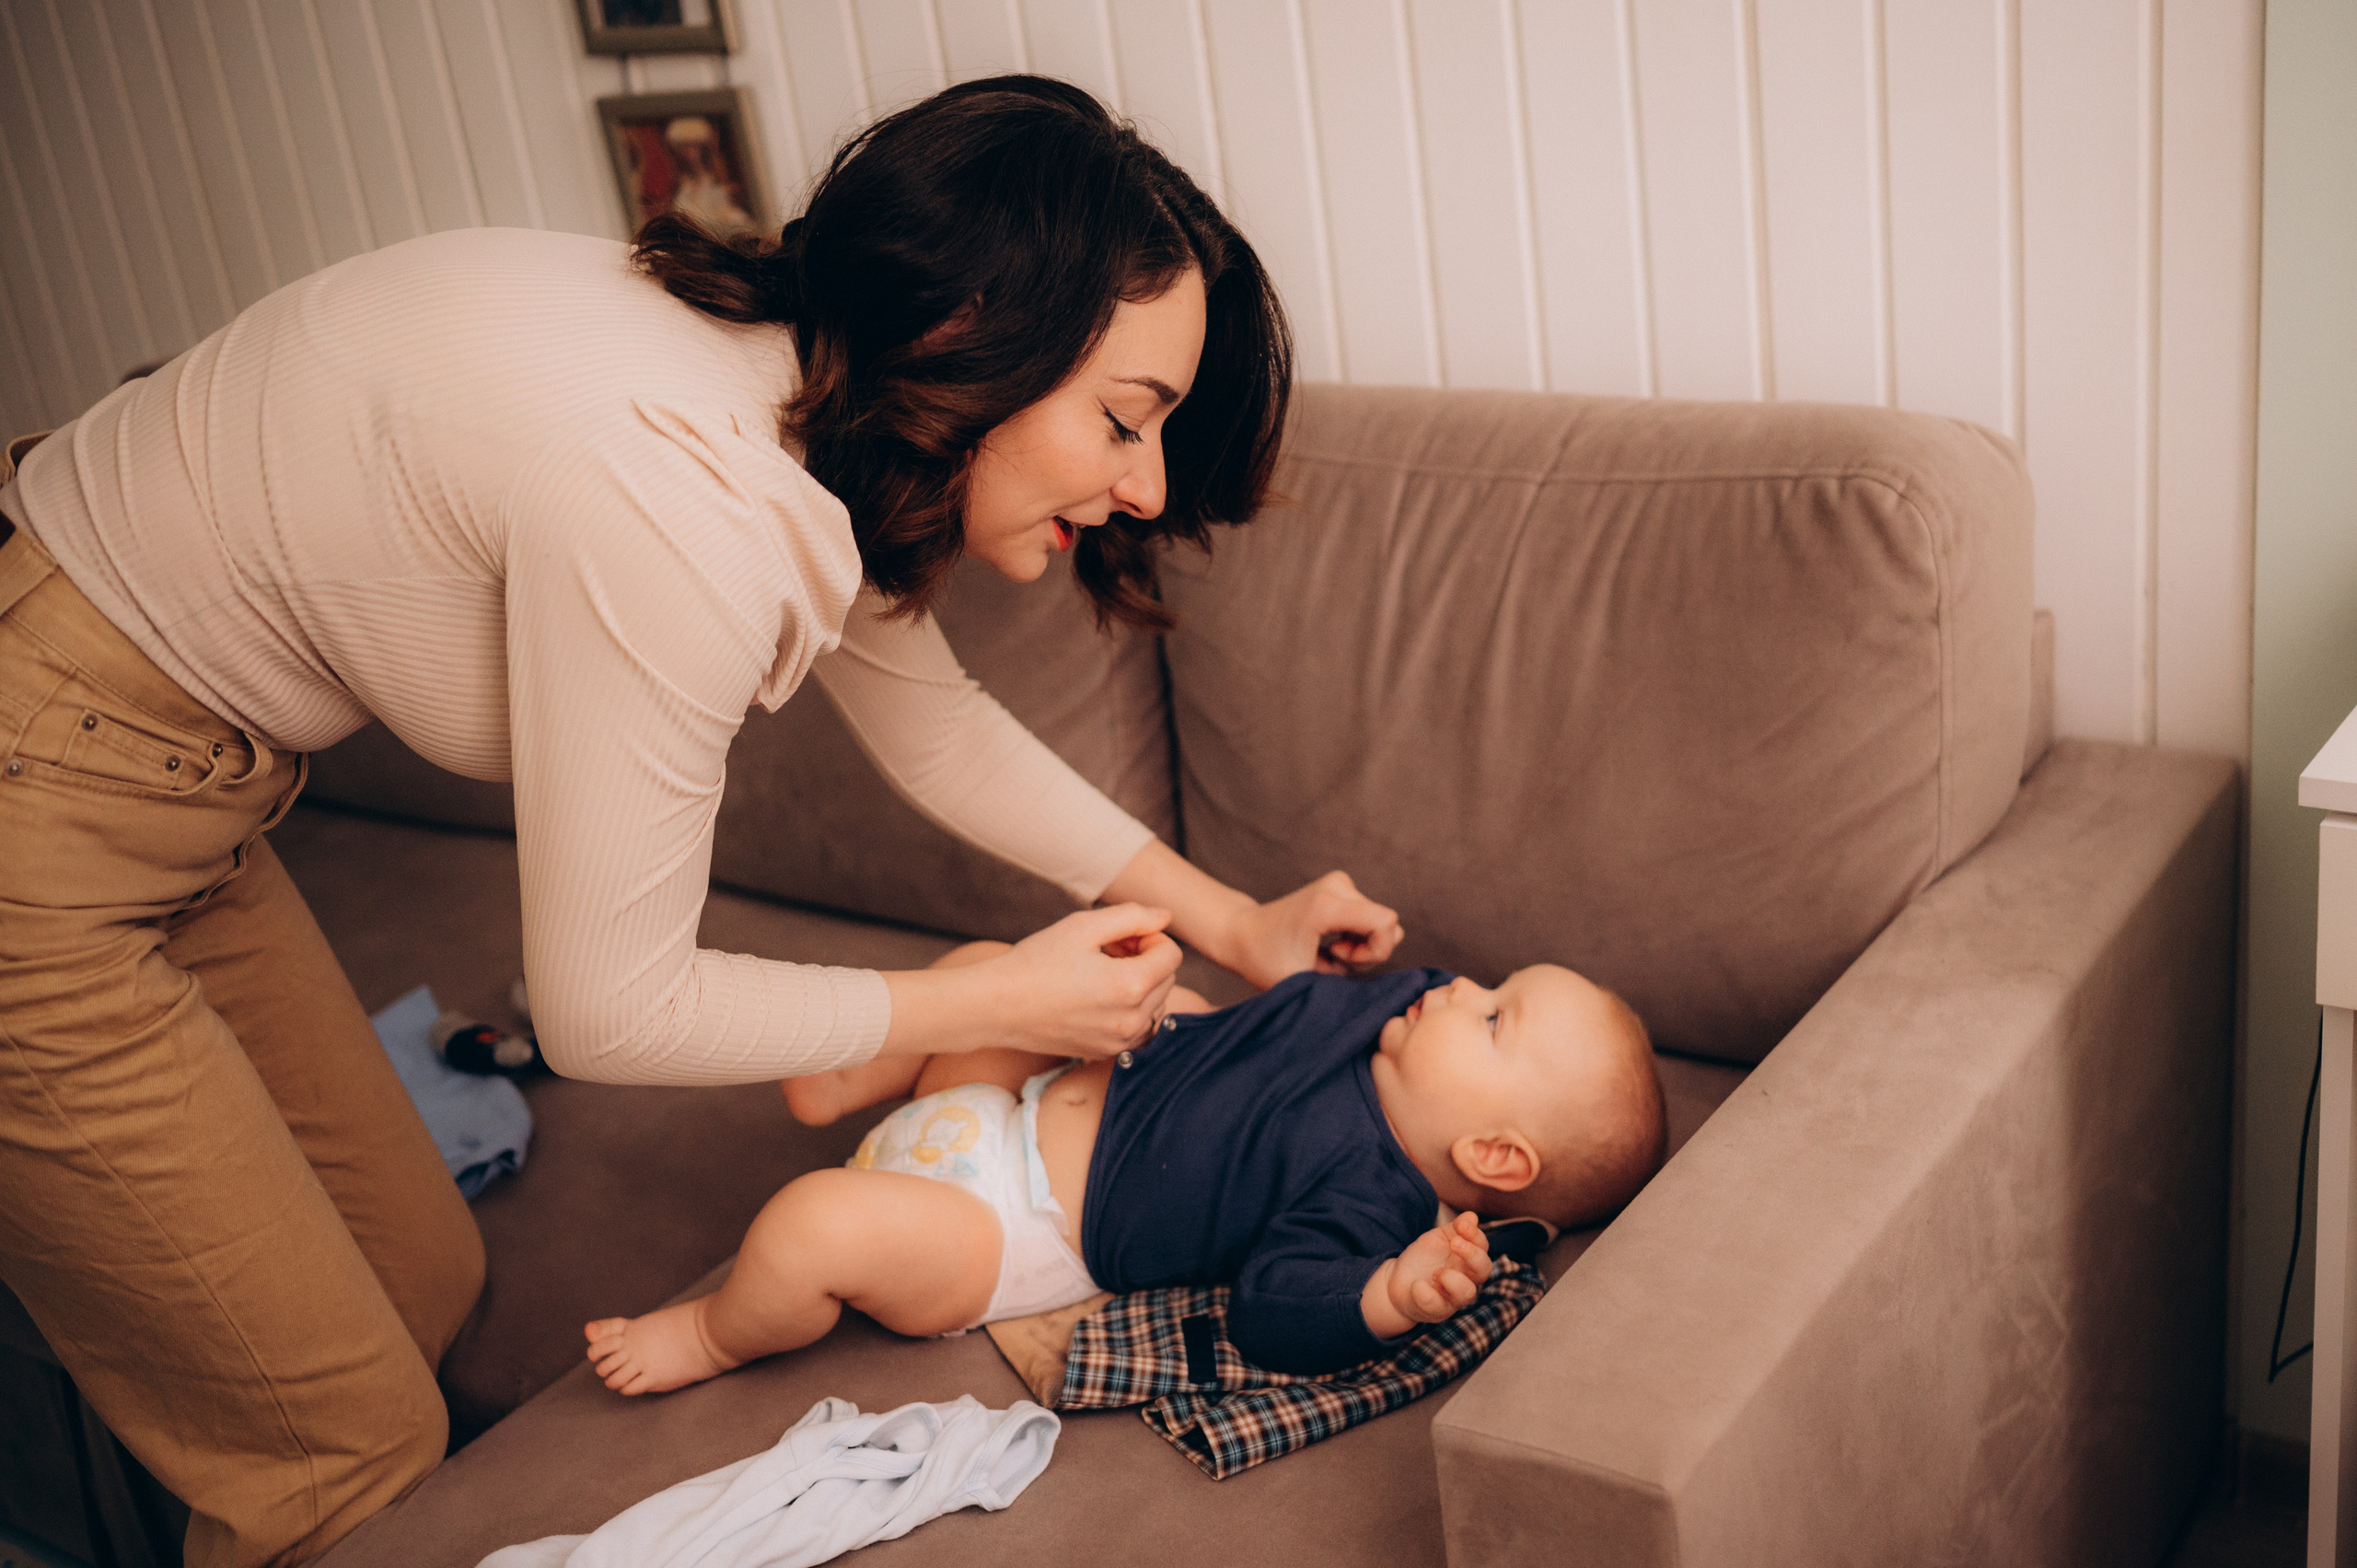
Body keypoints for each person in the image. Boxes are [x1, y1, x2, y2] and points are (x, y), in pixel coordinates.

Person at [0, 76, 1404, 1568]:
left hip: (189, 793)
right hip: (50, 787)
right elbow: (608, 1008)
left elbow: (941, 730)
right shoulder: (688, 496)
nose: (1146, 482)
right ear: (966, 329)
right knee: (342, 1449)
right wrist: (994, 997)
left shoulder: (808, 406)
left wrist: (1233, 919)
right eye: (1126, 419)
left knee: (425, 1275)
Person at [583, 942, 1666, 1391]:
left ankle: (714, 1332)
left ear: (1492, 1153)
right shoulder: (1389, 1016)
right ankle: (845, 1075)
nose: (1461, 985)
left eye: (1493, 1016)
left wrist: (1387, 1293)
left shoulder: (1370, 1199)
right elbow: (1337, 980)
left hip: (1008, 1224)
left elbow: (1275, 1310)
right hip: (1025, 1087)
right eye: (1491, 983)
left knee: (810, 1222)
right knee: (992, 969)